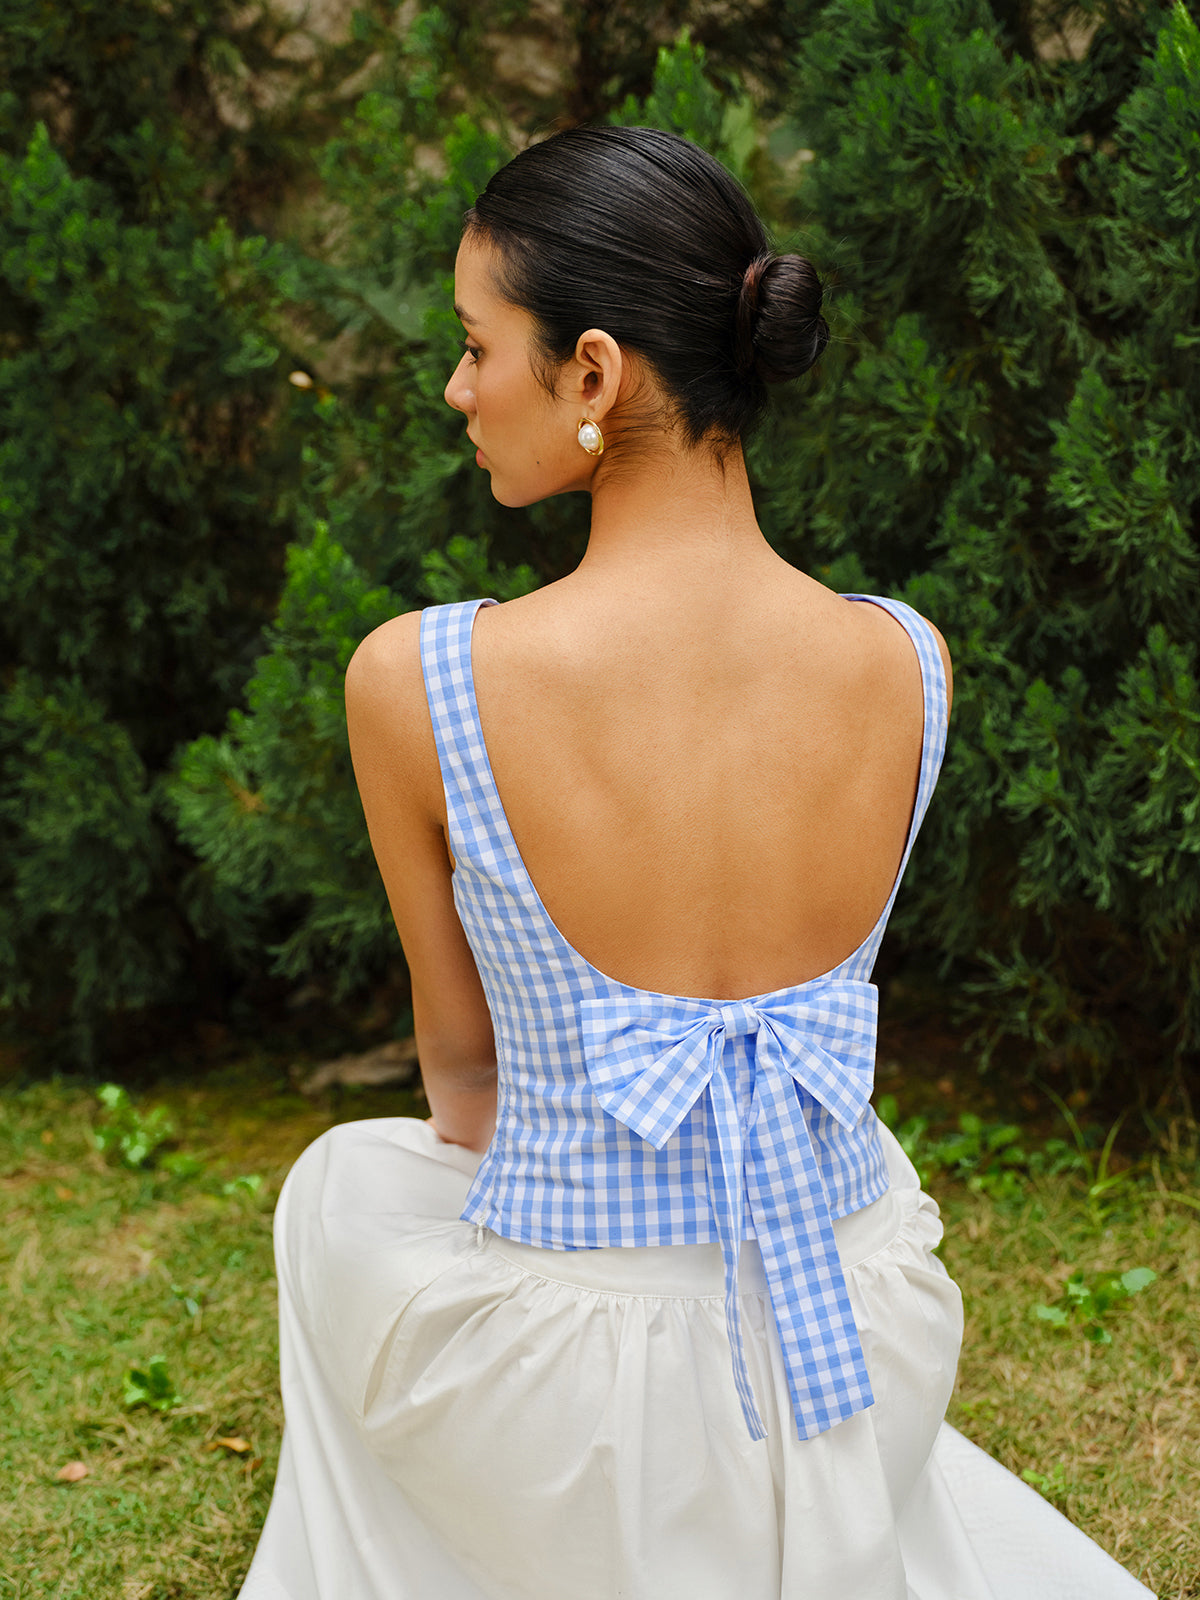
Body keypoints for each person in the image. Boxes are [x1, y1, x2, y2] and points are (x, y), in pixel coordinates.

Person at [238, 127, 1155, 1600]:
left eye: (479, 347)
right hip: (860, 1324)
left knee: (339, 1199)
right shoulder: (910, 664)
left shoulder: (422, 682)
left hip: (576, 1405)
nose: (458, 389)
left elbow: (462, 1084)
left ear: (593, 373)